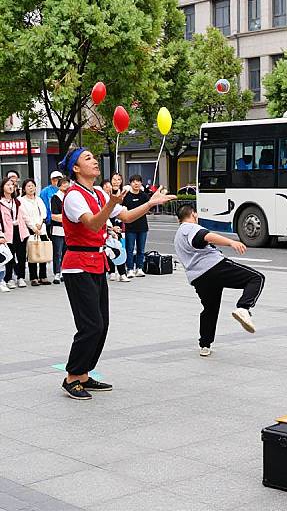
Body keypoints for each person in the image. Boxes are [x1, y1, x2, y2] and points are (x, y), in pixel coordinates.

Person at [58, 147, 174, 400]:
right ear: (76, 168)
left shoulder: (98, 192)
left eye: (94, 157)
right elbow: (92, 223)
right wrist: (112, 201)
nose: (95, 161)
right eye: (88, 158)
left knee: (103, 323)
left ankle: (84, 375)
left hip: (97, 262)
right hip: (77, 264)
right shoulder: (73, 196)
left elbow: (127, 216)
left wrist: (150, 203)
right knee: (91, 324)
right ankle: (71, 376)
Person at [174, 204, 265, 357]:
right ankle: (243, 307)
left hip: (198, 278)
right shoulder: (190, 228)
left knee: (210, 308)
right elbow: (204, 236)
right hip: (214, 267)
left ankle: (205, 344)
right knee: (256, 278)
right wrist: (231, 242)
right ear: (194, 215)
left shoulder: (178, 236)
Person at [19, 178, 51, 286]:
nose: (31, 188)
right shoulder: (21, 200)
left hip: (41, 228)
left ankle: (43, 275)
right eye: (28, 186)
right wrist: (33, 227)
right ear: (24, 188)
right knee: (32, 252)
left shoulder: (39, 199)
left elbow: (44, 212)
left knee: (43, 251)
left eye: (32, 186)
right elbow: (25, 216)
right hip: (30, 229)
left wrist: (40, 223)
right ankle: (33, 277)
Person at [0, 177, 29, 288]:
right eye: (8, 185)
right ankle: (9, 278)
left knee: (21, 255)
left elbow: (24, 216)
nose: (11, 186)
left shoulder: (17, 202)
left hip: (19, 230)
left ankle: (21, 277)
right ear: (2, 187)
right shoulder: (1, 203)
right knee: (9, 255)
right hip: (7, 232)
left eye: (12, 185)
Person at [101, 179, 129, 283]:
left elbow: (125, 214)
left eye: (109, 186)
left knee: (119, 250)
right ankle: (111, 272)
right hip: (107, 230)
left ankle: (122, 273)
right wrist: (110, 229)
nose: (108, 188)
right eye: (106, 186)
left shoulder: (114, 197)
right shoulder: (100, 198)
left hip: (117, 229)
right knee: (109, 252)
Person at [123, 174, 150, 278]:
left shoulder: (144, 196)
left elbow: (149, 207)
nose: (136, 183)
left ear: (141, 183)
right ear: (130, 183)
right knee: (129, 249)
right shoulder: (127, 196)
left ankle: (139, 268)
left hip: (142, 226)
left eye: (138, 181)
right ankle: (129, 269)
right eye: (134, 181)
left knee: (141, 249)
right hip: (130, 227)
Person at [50, 177, 70, 284]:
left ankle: (63, 271)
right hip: (58, 229)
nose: (66, 185)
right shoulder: (55, 197)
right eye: (63, 183)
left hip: (68, 230)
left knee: (66, 252)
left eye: (67, 183)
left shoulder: (70, 197)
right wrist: (67, 218)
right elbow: (54, 216)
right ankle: (57, 272)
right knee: (57, 252)